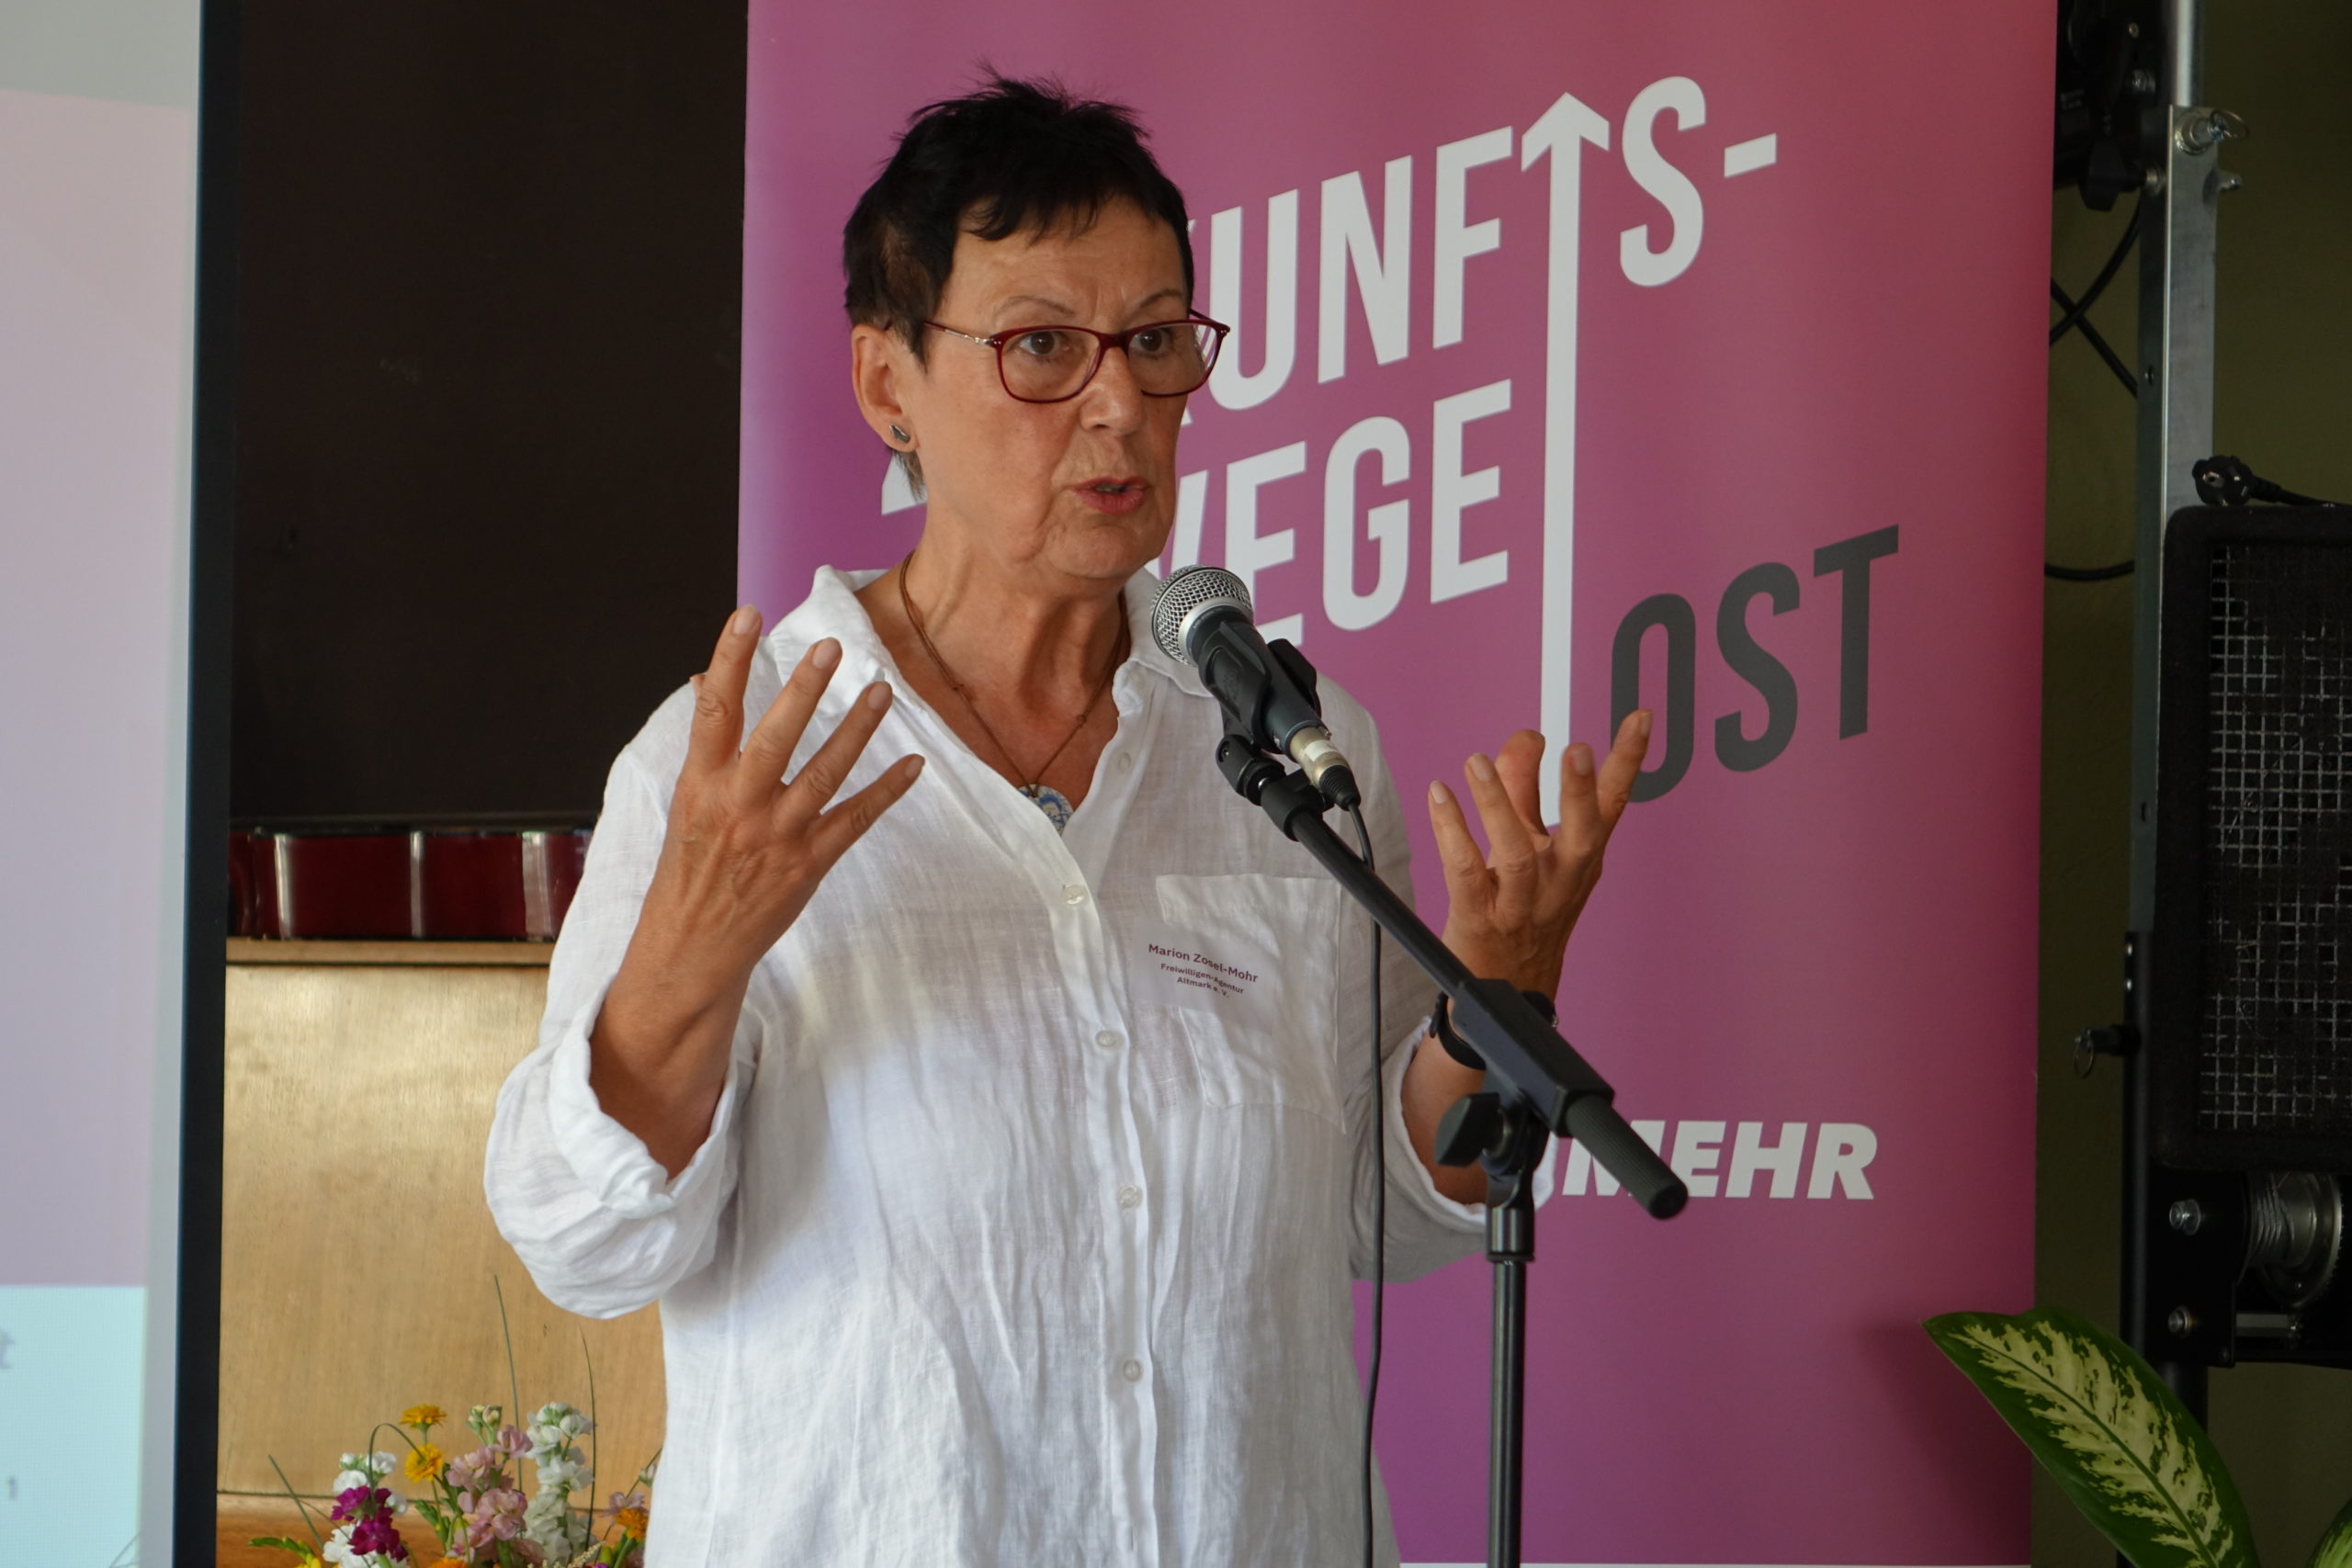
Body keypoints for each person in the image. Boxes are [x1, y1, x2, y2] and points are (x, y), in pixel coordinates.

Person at [486, 75, 1648, 1566]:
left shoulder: (1290, 745)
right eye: (1041, 346)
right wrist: (690, 959)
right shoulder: (735, 762)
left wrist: (1496, 999)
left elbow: (1394, 1212)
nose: (1119, 407)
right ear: (888, 383)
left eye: (1155, 342)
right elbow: (582, 1244)